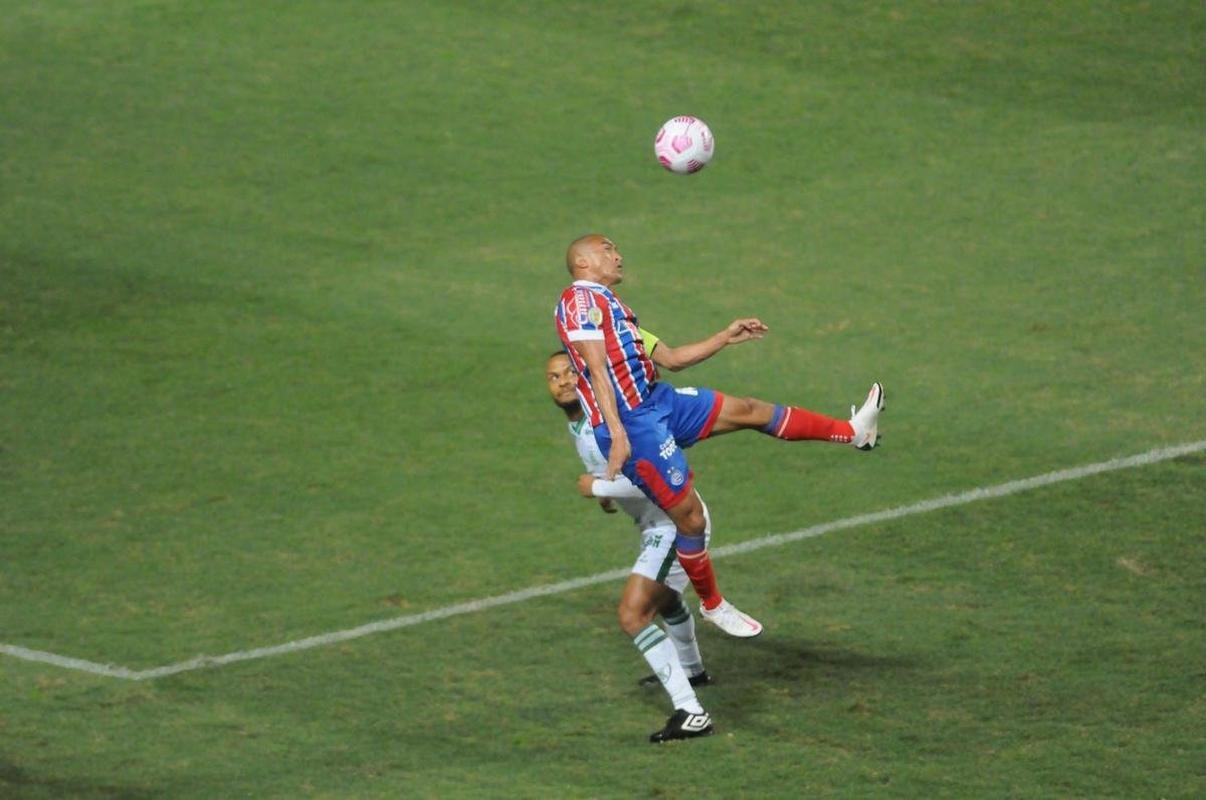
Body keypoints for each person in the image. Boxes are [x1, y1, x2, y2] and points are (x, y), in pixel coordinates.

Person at [553, 234, 885, 739]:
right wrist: (618, 433)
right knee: (689, 517)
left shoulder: (614, 305)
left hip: (656, 402)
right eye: (608, 249)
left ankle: (853, 432)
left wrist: (723, 336)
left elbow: (674, 357)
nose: (618, 254)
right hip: (635, 424)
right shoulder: (579, 299)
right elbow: (595, 366)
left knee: (748, 409)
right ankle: (712, 604)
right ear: (584, 261)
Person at [546, 351, 731, 743]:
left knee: (633, 615)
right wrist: (605, 488)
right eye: (553, 377)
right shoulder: (582, 425)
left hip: (673, 525)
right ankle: (693, 671)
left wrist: (598, 486)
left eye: (569, 373)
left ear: (586, 377)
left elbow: (649, 476)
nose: (562, 381)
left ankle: (691, 711)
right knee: (664, 600)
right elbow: (616, 470)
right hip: (656, 525)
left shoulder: (610, 425)